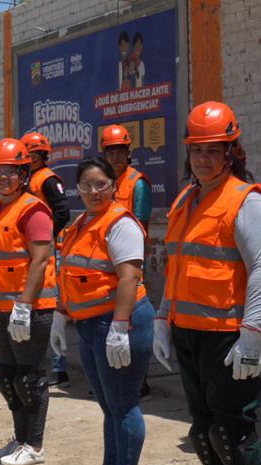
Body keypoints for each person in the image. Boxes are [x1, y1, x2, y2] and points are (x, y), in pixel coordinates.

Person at [154, 101, 261, 465]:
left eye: (213, 150)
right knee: (205, 432)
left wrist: (252, 335)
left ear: (231, 152)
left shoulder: (246, 200)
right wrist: (163, 317)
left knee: (230, 431)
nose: (203, 158)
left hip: (228, 335)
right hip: (189, 331)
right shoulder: (187, 199)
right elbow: (178, 265)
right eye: (196, 150)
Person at [52, 157, 155, 465]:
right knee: (110, 406)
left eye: (101, 184)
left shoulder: (120, 223)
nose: (94, 191)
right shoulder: (81, 224)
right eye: (86, 185)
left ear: (113, 185)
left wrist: (120, 327)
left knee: (124, 404)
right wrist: (61, 314)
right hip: (89, 325)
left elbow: (129, 277)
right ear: (77, 189)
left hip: (119, 322)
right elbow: (72, 274)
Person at [0, 138, 56, 465]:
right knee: (8, 378)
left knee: (29, 379)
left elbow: (40, 260)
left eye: (11, 171)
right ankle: (20, 439)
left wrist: (24, 305)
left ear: (23, 173)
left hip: (29, 310)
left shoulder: (33, 210)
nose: (3, 178)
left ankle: (34, 446)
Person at [101, 124, 154, 399]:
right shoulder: (104, 182)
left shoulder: (137, 183)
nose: (116, 156)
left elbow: (141, 227)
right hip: (108, 263)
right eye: (111, 152)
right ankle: (116, 377)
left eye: (120, 151)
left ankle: (139, 381)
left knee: (132, 320)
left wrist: (135, 266)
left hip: (129, 262)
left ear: (128, 152)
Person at [21, 131, 72, 387]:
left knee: (52, 310)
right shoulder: (28, 179)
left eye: (33, 154)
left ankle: (59, 370)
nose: (30, 158)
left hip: (52, 252)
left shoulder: (48, 180)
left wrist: (45, 238)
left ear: (41, 155)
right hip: (36, 252)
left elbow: (63, 212)